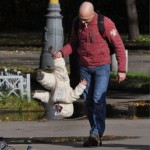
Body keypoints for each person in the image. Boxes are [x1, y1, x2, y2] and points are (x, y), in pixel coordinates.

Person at [53, 1, 126, 147]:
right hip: (85, 67)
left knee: (98, 99)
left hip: (102, 67)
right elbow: (73, 43)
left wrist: (122, 69)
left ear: (93, 14)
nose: (83, 22)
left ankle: (96, 133)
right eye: (81, 19)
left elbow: (119, 46)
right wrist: (61, 52)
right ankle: (95, 132)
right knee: (88, 102)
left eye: (85, 19)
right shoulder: (76, 23)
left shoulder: (105, 23)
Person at [32, 49, 87, 118]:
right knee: (61, 69)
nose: (57, 108)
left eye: (57, 110)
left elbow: (47, 97)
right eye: (59, 109)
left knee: (48, 81)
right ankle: (57, 57)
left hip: (53, 85)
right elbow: (76, 93)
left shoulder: (54, 101)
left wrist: (36, 94)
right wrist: (82, 85)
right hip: (63, 80)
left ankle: (41, 76)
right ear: (66, 108)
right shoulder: (69, 98)